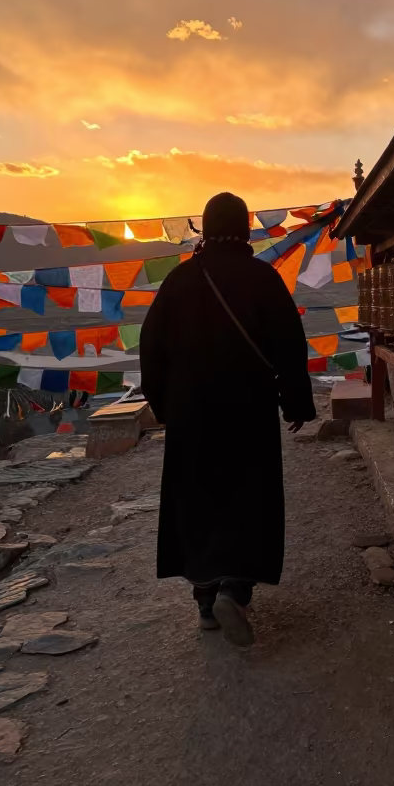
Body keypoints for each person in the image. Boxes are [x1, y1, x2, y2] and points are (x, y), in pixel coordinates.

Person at [140, 191, 316, 646]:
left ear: (205, 227)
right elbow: (288, 346)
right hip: (247, 411)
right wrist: (295, 402)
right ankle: (235, 591)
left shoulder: (177, 282)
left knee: (198, 499)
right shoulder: (262, 278)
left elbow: (151, 351)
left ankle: (205, 600)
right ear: (244, 230)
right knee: (246, 496)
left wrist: (165, 406)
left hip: (190, 413)